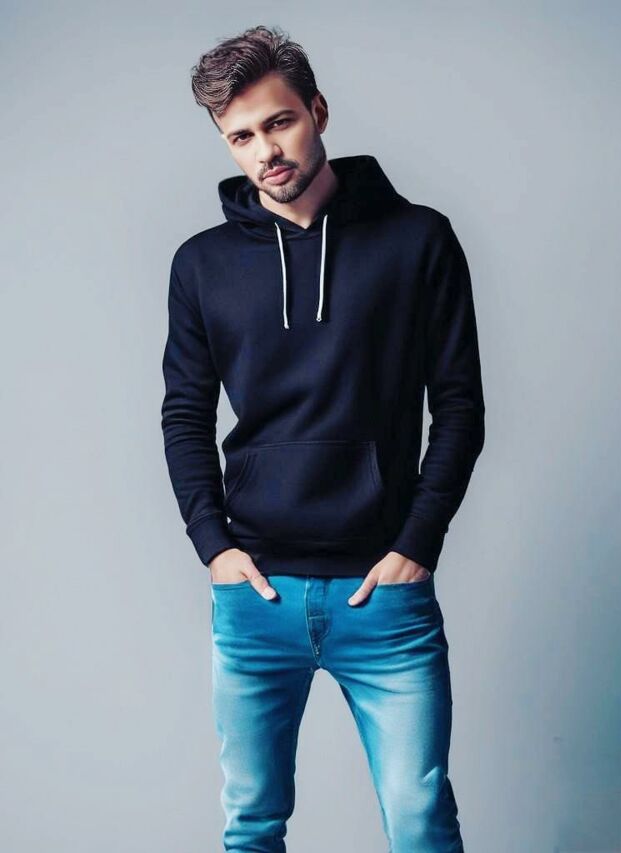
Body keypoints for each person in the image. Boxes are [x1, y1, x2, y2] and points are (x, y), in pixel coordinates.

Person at [160, 24, 484, 853]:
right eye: (241, 136)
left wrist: (417, 542)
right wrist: (213, 547)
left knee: (420, 821)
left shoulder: (418, 240)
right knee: (252, 826)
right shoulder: (201, 265)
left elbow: (459, 406)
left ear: (318, 111)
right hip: (257, 597)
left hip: (383, 594)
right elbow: (185, 413)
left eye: (279, 122)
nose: (265, 150)